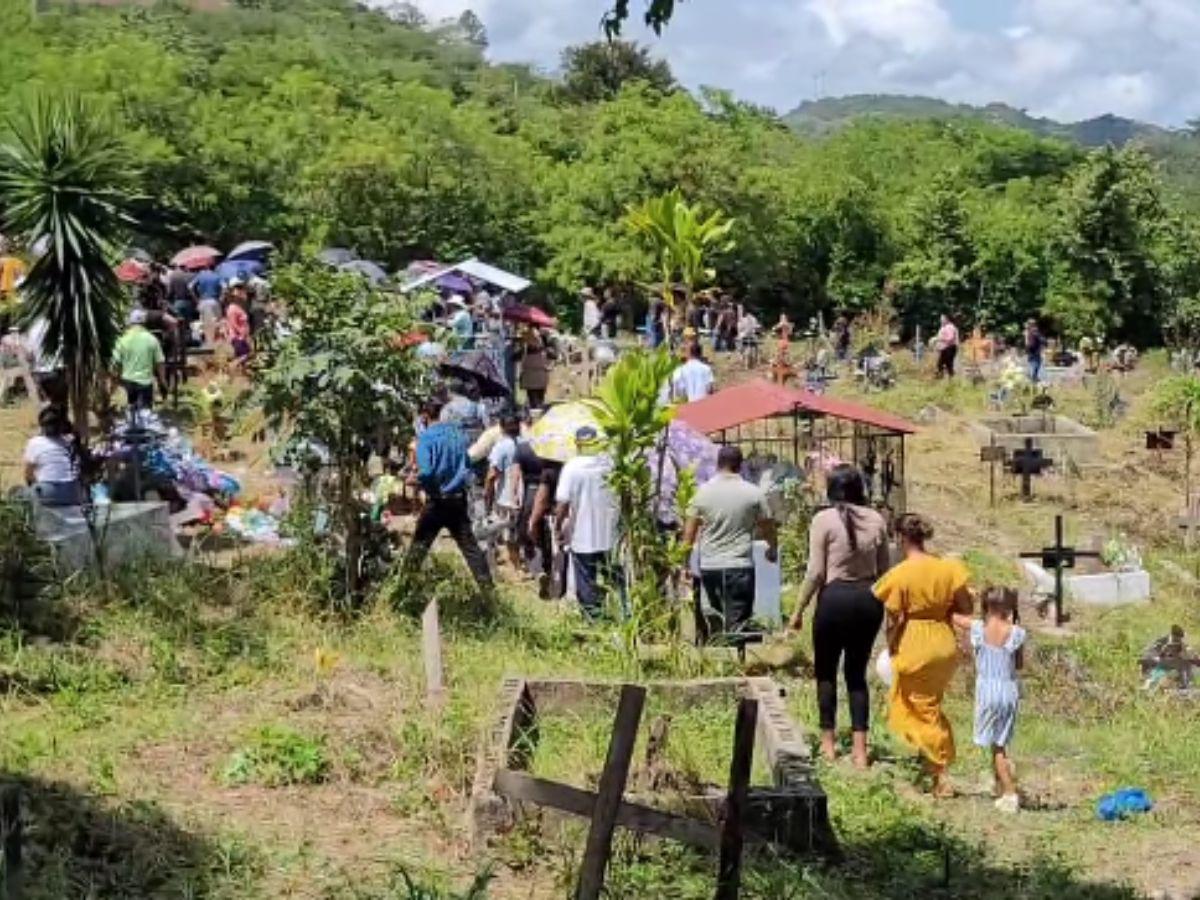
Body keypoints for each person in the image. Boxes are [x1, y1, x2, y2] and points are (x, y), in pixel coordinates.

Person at [789, 465, 891, 767]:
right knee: (857, 675)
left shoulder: (823, 520)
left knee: (826, 673)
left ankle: (828, 745)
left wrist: (797, 611)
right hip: (868, 599)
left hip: (834, 599)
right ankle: (860, 751)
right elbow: (885, 572)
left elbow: (816, 572)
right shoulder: (876, 519)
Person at [873, 514, 973, 797]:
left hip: (915, 641)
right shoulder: (947, 568)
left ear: (900, 538)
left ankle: (941, 772)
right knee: (929, 704)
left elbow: (893, 618)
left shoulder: (900, 574)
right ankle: (929, 768)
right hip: (943, 641)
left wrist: (891, 644)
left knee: (918, 708)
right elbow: (966, 606)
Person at [682, 446, 777, 638]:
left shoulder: (702, 493)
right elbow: (767, 525)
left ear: (718, 464)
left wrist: (684, 563)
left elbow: (689, 533)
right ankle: (738, 660)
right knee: (738, 625)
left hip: (710, 567)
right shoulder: (753, 493)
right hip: (739, 566)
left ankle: (718, 660)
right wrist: (772, 547)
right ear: (740, 465)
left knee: (716, 621)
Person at [404, 397, 494, 594]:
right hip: (458, 500)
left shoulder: (426, 439)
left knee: (418, 550)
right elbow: (468, 463)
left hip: (437, 501)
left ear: (425, 416)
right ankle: (489, 593)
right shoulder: (458, 435)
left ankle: (402, 590)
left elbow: (426, 472)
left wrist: (422, 483)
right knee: (471, 550)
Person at [965, 586, 1026, 814]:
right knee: (1001, 741)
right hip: (1008, 690)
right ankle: (1000, 784)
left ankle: (1009, 792)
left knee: (996, 747)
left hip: (988, 690)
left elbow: (954, 618)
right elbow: (1019, 664)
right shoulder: (1017, 632)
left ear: (986, 605)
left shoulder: (979, 628)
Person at [555, 426, 621, 619]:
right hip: (611, 534)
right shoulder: (609, 463)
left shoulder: (572, 467)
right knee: (614, 579)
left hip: (583, 536)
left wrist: (558, 527)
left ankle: (594, 621)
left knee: (586, 581)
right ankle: (622, 617)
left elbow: (562, 503)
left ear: (577, 444)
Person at [484, 412, 526, 570]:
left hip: (506, 496)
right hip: (527, 494)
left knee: (508, 532)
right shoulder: (528, 443)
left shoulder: (501, 447)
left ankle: (515, 567)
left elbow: (492, 474)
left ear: (501, 428)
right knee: (522, 528)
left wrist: (487, 495)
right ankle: (526, 561)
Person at [23, 405, 82, 507]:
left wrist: (34, 485)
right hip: (71, 491)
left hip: (47, 491)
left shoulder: (34, 443)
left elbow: (28, 473)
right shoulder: (67, 442)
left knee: (19, 494)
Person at [112, 308, 166, 410]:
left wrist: (115, 381)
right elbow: (160, 362)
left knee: (129, 413)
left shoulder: (122, 340)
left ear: (130, 323)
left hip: (127, 383)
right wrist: (162, 381)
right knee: (145, 414)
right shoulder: (152, 339)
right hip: (145, 383)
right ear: (144, 323)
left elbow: (115, 363)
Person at [517, 329, 550, 409]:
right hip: (539, 379)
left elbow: (514, 357)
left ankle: (536, 413)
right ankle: (537, 414)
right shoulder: (544, 350)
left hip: (532, 380)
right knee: (538, 401)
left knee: (534, 401)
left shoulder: (525, 350)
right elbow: (554, 356)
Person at [226, 285, 252, 362]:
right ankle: (231, 367)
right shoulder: (232, 308)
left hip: (242, 337)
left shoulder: (239, 307)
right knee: (243, 356)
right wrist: (242, 334)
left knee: (246, 356)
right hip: (237, 337)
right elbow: (233, 324)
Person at [935, 314, 959, 379]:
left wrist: (939, 339)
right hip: (945, 348)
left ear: (947, 319)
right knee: (942, 364)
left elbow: (950, 338)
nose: (941, 320)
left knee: (945, 364)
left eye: (942, 318)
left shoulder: (950, 327)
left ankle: (945, 378)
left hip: (949, 348)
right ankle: (946, 378)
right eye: (940, 318)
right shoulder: (943, 327)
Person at [1025, 319, 1045, 384]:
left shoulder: (1030, 333)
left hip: (1033, 354)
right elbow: (1042, 341)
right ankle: (1033, 380)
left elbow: (1029, 345)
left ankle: (1033, 380)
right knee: (1034, 369)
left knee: (1034, 369)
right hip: (1034, 354)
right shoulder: (1034, 333)